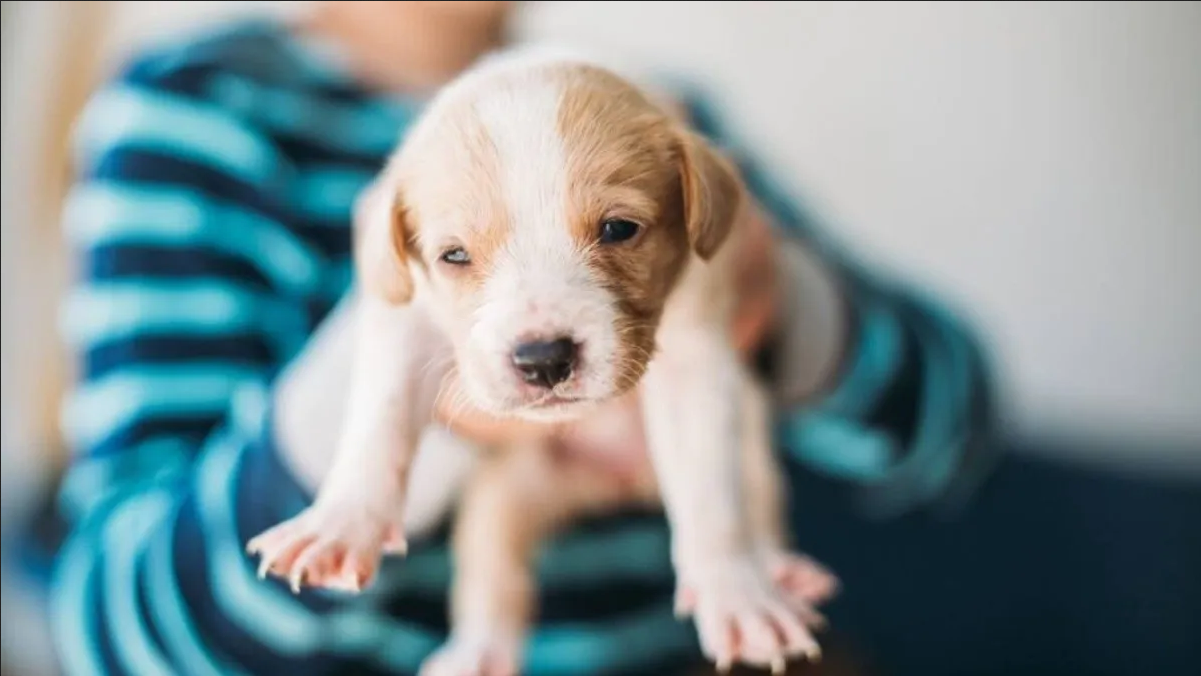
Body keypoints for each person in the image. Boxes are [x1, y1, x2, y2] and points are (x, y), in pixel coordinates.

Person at [44, 2, 997, 675]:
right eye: (456, 253)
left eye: (618, 229)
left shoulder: (656, 116)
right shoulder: (198, 118)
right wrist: (415, 417)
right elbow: (113, 640)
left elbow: (954, 436)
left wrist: (784, 305)